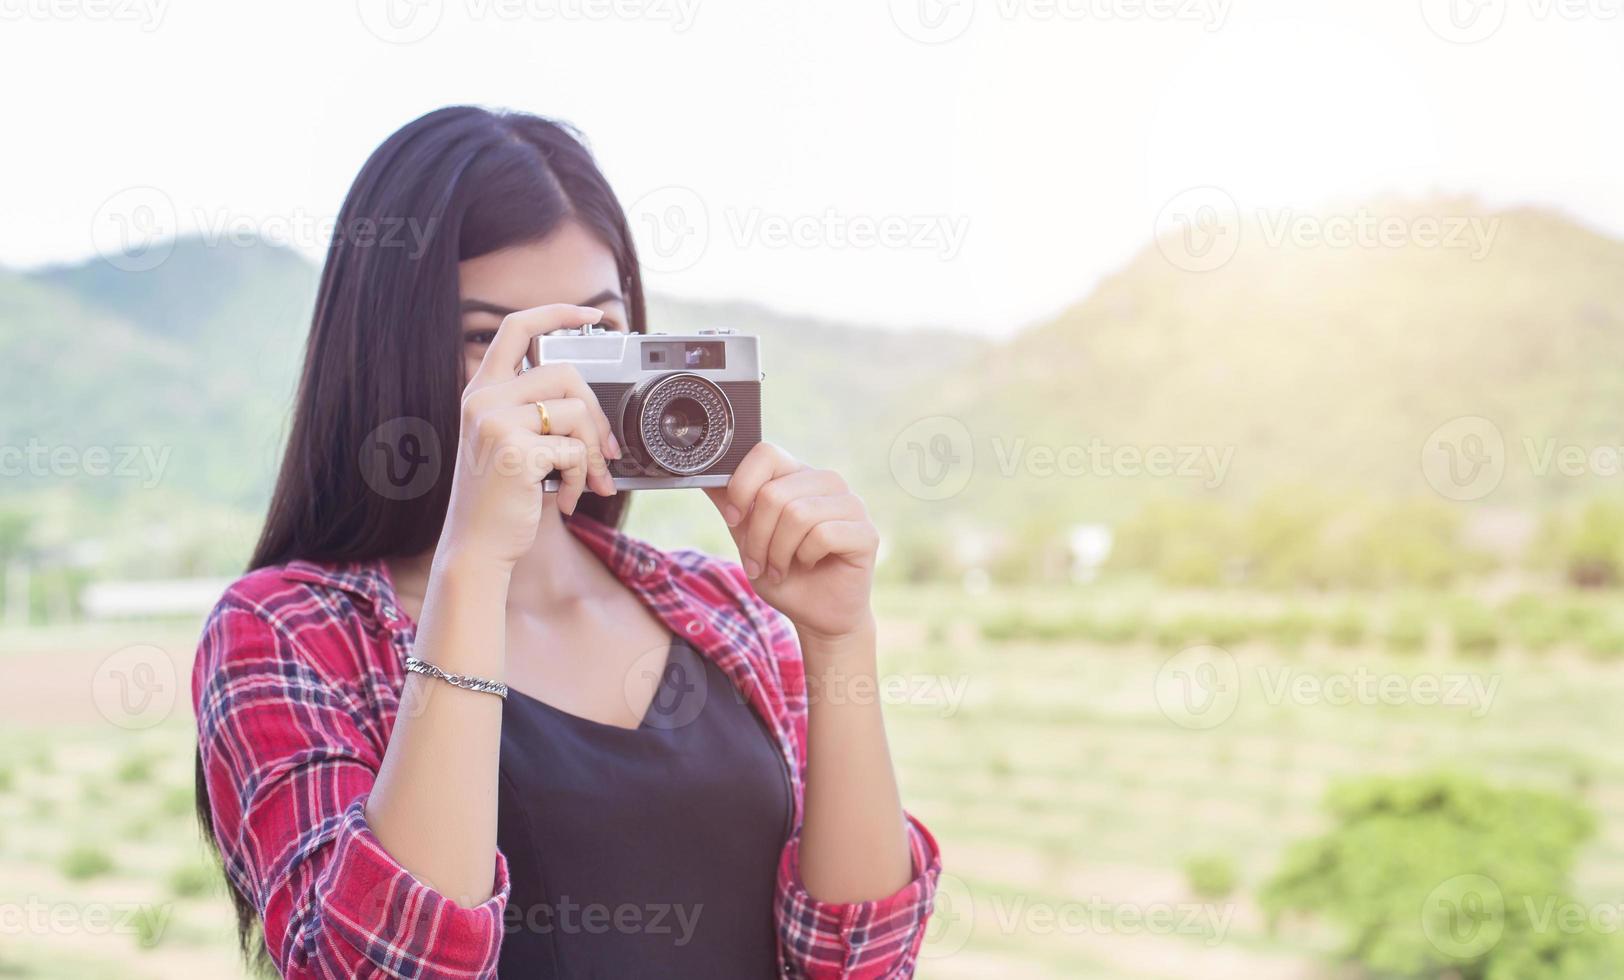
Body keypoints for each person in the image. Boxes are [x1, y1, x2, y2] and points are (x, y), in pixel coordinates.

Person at [191, 105, 940, 978]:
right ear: (386, 350)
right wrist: (472, 564)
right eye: (488, 338)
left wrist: (839, 639)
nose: (555, 381)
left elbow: (862, 963)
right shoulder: (285, 633)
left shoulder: (725, 608)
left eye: (593, 333)